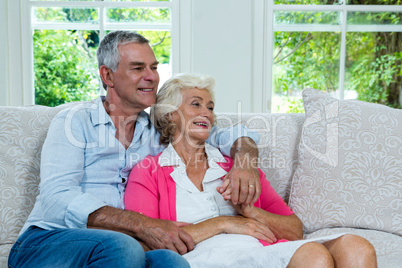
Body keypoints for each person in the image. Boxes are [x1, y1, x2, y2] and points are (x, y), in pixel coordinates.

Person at [8, 31, 262, 268]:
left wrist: (245, 163)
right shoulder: (74, 121)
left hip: (122, 246)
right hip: (47, 241)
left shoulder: (157, 129)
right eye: (138, 68)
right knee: (124, 246)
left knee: (170, 261)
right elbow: (57, 197)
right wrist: (143, 225)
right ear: (108, 76)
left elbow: (229, 134)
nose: (151, 76)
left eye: (153, 67)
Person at [124, 73, 378, 268]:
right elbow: (147, 244)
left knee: (356, 247)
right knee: (314, 256)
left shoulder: (236, 167)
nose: (207, 113)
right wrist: (224, 223)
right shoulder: (148, 172)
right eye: (196, 104)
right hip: (202, 259)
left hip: (258, 252)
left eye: (210, 107)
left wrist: (249, 211)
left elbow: (293, 229)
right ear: (170, 115)